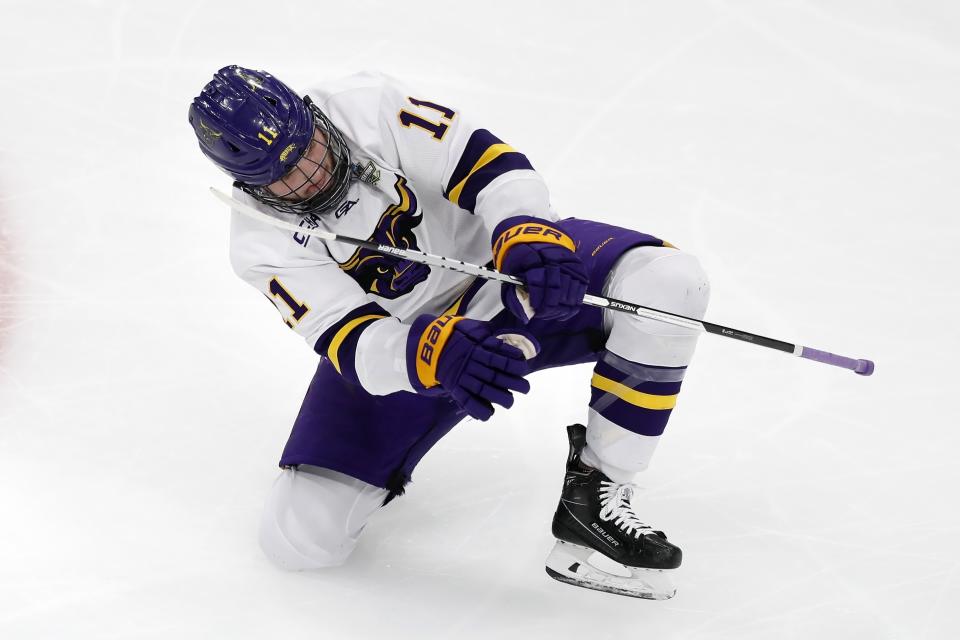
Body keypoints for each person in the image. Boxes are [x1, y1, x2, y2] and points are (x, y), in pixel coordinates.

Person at [188, 66, 710, 599]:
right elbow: (349, 338)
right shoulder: (259, 243)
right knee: (298, 541)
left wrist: (525, 228)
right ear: (249, 185)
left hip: (506, 277)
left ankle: (596, 497)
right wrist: (428, 353)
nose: (309, 177)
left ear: (311, 115)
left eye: (308, 150)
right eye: (281, 177)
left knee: (668, 284)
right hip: (415, 344)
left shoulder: (364, 106)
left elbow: (490, 162)